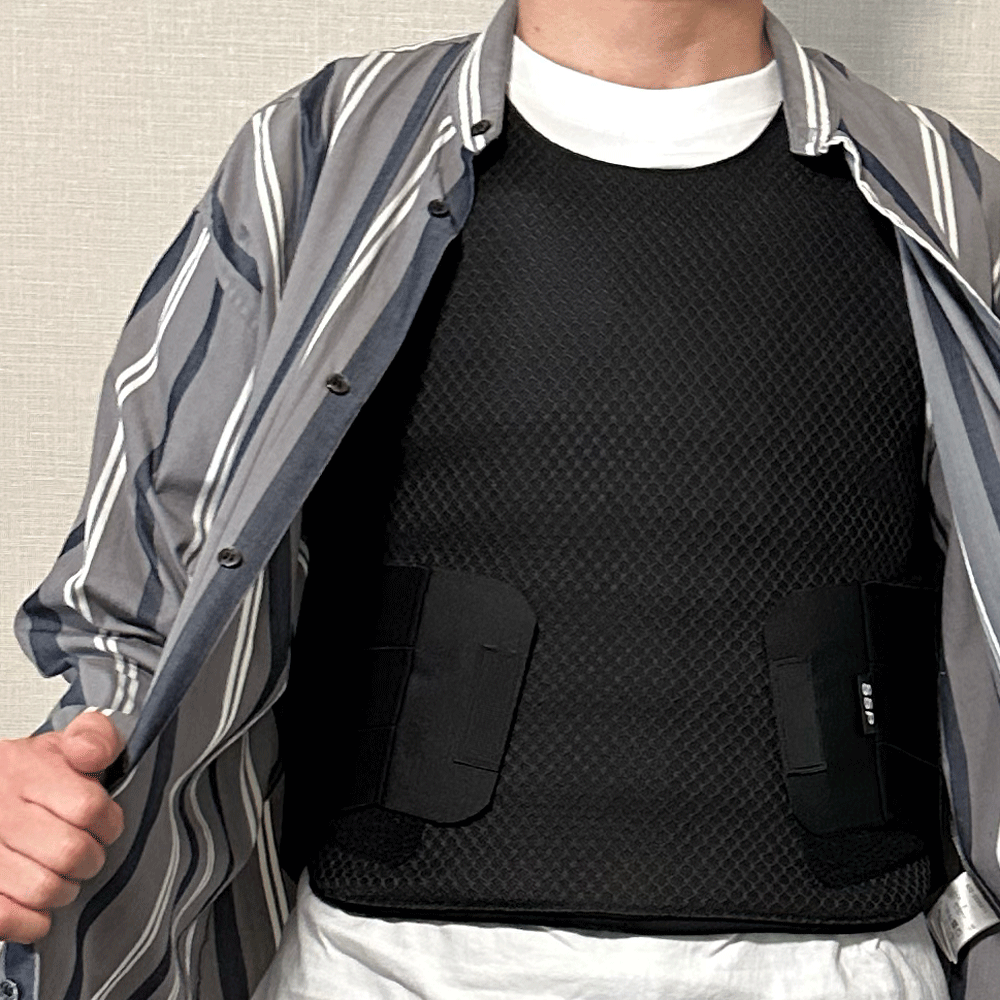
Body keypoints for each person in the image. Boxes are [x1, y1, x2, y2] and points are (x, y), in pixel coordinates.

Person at [3, 0, 1000, 997]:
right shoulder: (316, 157)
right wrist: (49, 784)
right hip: (381, 970)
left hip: (843, 967)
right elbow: (147, 590)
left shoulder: (950, 199)